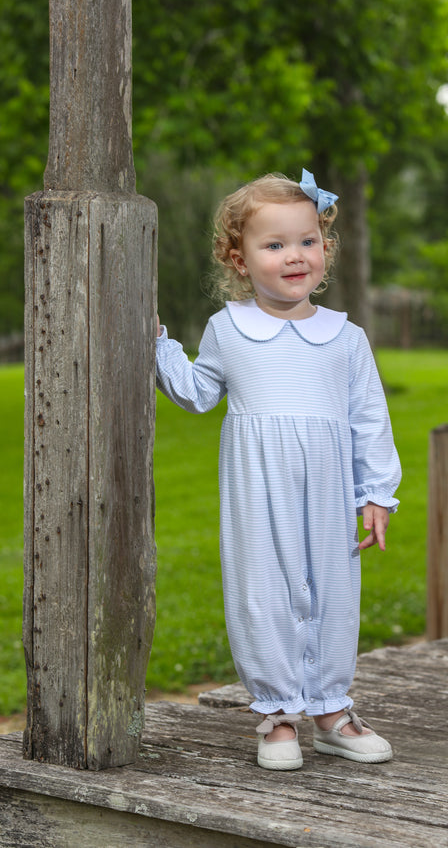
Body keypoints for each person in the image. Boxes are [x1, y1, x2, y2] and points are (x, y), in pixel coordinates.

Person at [156, 169, 401, 770]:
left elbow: (369, 419)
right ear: (237, 259)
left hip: (328, 490)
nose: (296, 256)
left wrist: (376, 494)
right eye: (275, 245)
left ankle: (329, 711)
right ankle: (276, 715)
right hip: (256, 489)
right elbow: (197, 392)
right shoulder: (229, 329)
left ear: (326, 248)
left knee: (333, 595)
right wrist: (157, 344)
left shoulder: (345, 337)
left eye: (308, 241)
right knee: (263, 594)